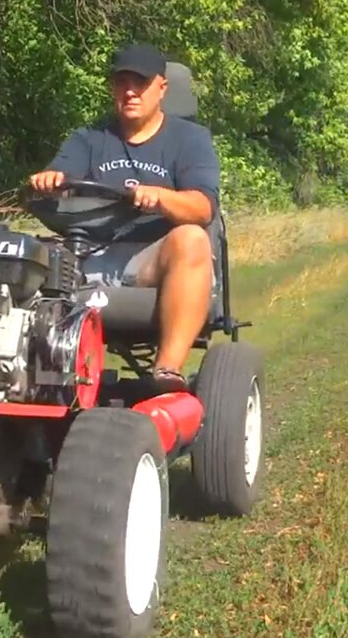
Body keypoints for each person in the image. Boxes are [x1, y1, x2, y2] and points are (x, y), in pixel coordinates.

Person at [28, 42, 221, 394]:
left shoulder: (190, 139)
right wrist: (50, 181)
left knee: (192, 238)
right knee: (17, 253)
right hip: (88, 252)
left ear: (161, 88)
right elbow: (60, 177)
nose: (130, 92)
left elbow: (202, 207)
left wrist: (162, 198)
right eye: (121, 83)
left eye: (140, 83)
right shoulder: (89, 138)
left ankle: (167, 371)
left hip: (150, 259)